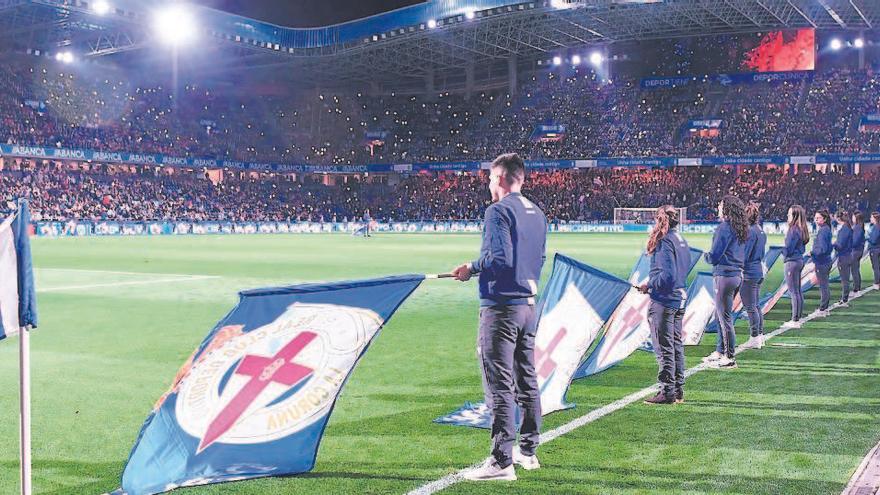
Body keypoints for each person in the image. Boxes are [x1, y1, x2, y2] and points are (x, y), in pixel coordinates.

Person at [451, 153, 547, 482]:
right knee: (527, 379)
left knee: (500, 386)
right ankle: (529, 451)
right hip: (528, 306)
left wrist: (470, 268)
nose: (489, 185)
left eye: (491, 179)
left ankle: (501, 460)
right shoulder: (538, 213)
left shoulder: (498, 211)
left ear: (503, 179)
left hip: (501, 308)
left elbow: (499, 258)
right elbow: (540, 257)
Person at [638, 205, 690, 405]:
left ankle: (667, 391)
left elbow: (667, 275)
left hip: (664, 300)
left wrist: (649, 285)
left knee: (664, 347)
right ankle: (677, 389)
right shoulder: (680, 239)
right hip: (679, 298)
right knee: (676, 345)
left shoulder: (665, 240)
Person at [702, 195, 748, 369]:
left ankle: (729, 356)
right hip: (736, 275)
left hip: (725, 275)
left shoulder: (723, 228)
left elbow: (714, 256)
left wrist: (706, 256)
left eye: (720, 205)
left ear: (726, 208)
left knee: (724, 317)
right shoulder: (741, 228)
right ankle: (720, 351)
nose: (718, 207)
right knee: (721, 315)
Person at [741, 202, 767, 349]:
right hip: (758, 269)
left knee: (750, 307)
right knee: (756, 305)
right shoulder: (760, 230)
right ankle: (760, 335)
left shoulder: (750, 232)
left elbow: (745, 254)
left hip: (749, 272)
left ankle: (754, 337)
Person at [782, 205, 810, 325]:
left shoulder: (793, 229)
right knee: (798, 290)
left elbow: (788, 248)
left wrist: (783, 252)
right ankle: (798, 316)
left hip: (792, 262)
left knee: (793, 291)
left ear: (794, 216)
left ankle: (795, 319)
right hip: (799, 260)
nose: (787, 216)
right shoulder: (801, 228)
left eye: (789, 214)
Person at [811, 209, 834, 315]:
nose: (816, 220)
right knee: (824, 284)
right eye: (815, 217)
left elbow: (822, 249)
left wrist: (812, 252)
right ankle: (824, 307)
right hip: (825, 261)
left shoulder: (823, 230)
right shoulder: (826, 229)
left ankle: (823, 308)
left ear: (824, 219)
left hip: (822, 262)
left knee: (823, 285)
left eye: (818, 217)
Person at [833, 210, 853, 306]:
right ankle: (845, 298)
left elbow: (840, 245)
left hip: (844, 256)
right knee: (845, 279)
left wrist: (834, 244)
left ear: (838, 218)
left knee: (844, 279)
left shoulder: (844, 230)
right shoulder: (847, 228)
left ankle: (844, 300)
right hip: (847, 256)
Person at [851, 211, 866, 293]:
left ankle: (856, 288)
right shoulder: (859, 227)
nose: (852, 218)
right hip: (858, 251)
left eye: (853, 216)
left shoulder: (857, 228)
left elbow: (855, 241)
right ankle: (857, 286)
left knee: (854, 270)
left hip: (855, 251)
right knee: (855, 269)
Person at [869, 212, 880, 288]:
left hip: (875, 249)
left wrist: (868, 238)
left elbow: (873, 240)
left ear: (875, 219)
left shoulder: (876, 227)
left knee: (876, 267)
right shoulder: (877, 227)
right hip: (877, 248)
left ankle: (877, 283)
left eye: (871, 217)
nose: (870, 219)